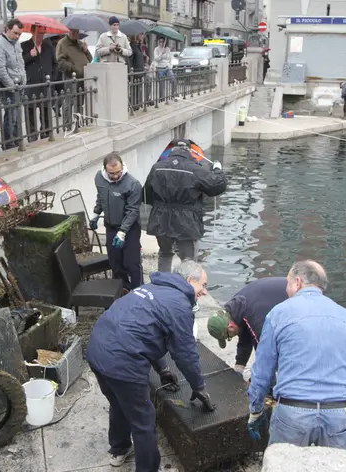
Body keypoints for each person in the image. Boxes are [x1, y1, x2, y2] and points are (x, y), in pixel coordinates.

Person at [86, 260, 215, 472]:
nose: (204, 291)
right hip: (122, 362)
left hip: (96, 351)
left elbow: (142, 332)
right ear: (190, 281)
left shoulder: (148, 288)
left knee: (119, 403)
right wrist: (199, 386)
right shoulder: (180, 305)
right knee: (144, 422)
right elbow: (185, 355)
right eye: (203, 284)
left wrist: (162, 369)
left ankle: (119, 449)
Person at [246, 261, 346, 449]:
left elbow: (263, 371)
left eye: (288, 284)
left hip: (293, 412)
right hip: (340, 412)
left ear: (297, 282)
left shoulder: (279, 313)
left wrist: (256, 410)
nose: (287, 290)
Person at [144, 140, 227, 273]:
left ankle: (162, 285)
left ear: (172, 150)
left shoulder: (157, 167)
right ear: (190, 151)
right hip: (187, 221)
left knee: (164, 253)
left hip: (161, 218)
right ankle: (187, 288)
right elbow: (217, 185)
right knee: (189, 261)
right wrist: (217, 169)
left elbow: (147, 194)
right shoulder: (195, 169)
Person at [206, 277, 288, 376]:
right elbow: (245, 334)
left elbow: (265, 354)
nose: (232, 337)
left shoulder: (254, 315)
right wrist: (239, 367)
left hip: (300, 297)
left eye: (229, 337)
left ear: (230, 327)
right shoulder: (237, 308)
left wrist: (256, 383)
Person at [89, 152, 144, 291]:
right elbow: (101, 197)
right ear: (105, 170)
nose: (115, 176)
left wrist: (122, 232)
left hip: (130, 228)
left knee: (132, 263)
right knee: (115, 262)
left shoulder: (133, 184)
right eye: (111, 173)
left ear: (122, 167)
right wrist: (96, 213)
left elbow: (132, 211)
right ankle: (123, 288)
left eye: (118, 172)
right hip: (111, 226)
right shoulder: (99, 179)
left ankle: (138, 289)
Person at [0, 19, 25, 149]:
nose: (17, 36)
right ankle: (8, 143)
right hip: (7, 85)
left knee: (17, 115)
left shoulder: (17, 44)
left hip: (19, 83)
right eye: (15, 33)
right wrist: (11, 85)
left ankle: (17, 139)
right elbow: (0, 68)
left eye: (19, 34)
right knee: (10, 115)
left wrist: (24, 79)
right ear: (7, 29)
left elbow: (20, 62)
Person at [21, 25, 57, 140]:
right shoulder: (24, 45)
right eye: (39, 33)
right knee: (30, 111)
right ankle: (32, 136)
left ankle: (45, 132)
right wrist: (29, 56)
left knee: (46, 110)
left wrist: (52, 78)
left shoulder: (48, 46)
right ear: (32, 32)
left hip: (46, 84)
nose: (40, 36)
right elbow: (20, 63)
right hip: (31, 84)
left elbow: (55, 64)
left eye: (43, 33)